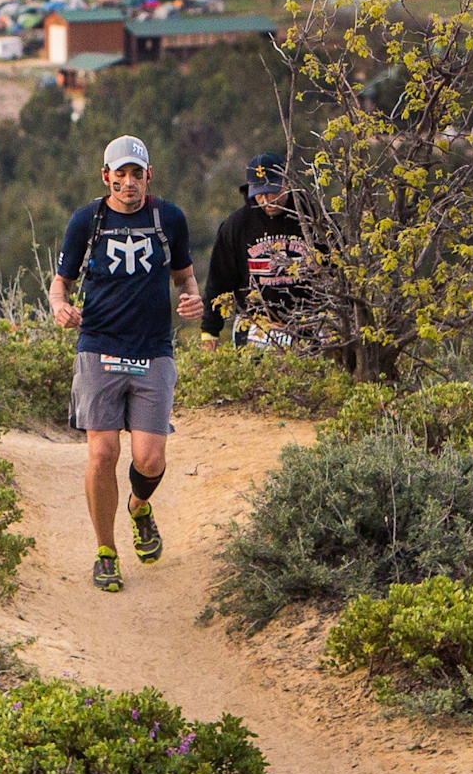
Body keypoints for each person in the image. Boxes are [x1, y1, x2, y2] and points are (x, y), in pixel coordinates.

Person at [52, 133, 199, 594]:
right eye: (121, 175)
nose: (129, 183)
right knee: (102, 453)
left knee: (150, 459)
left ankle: (139, 507)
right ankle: (106, 551)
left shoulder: (168, 219)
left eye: (137, 174)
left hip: (153, 348)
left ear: (148, 176)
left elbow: (185, 277)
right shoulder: (86, 221)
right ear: (106, 177)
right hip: (98, 345)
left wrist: (192, 299)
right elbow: (61, 282)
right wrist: (60, 307)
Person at [203, 152, 313, 348]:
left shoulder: (312, 217)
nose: (266, 200)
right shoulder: (236, 225)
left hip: (309, 320)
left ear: (286, 183)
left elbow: (335, 268)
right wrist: (210, 331)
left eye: (272, 192)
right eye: (260, 194)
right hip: (256, 324)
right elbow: (218, 281)